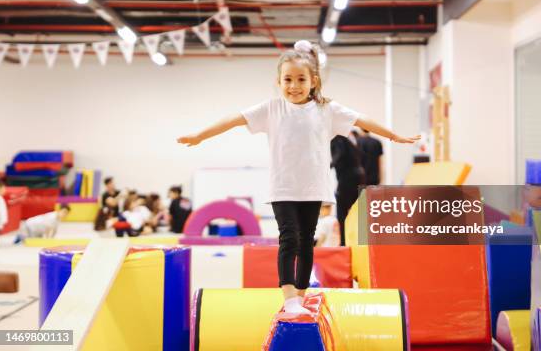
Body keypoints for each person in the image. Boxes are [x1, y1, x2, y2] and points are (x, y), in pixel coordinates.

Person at [177, 40, 420, 314]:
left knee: (306, 241)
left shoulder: (327, 109)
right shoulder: (271, 108)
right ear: (278, 81)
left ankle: (301, 297)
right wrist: (200, 135)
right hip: (283, 187)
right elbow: (233, 119)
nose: (294, 86)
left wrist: (394, 136)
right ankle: (289, 298)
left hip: (313, 188)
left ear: (313, 81)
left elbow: (362, 120)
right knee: (289, 239)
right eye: (288, 79)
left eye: (301, 79)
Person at [331, 133, 365, 246]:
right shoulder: (349, 140)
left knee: (341, 211)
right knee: (359, 212)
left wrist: (327, 165)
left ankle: (344, 243)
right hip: (359, 177)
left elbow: (339, 154)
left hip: (347, 179)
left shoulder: (337, 138)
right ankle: (361, 241)